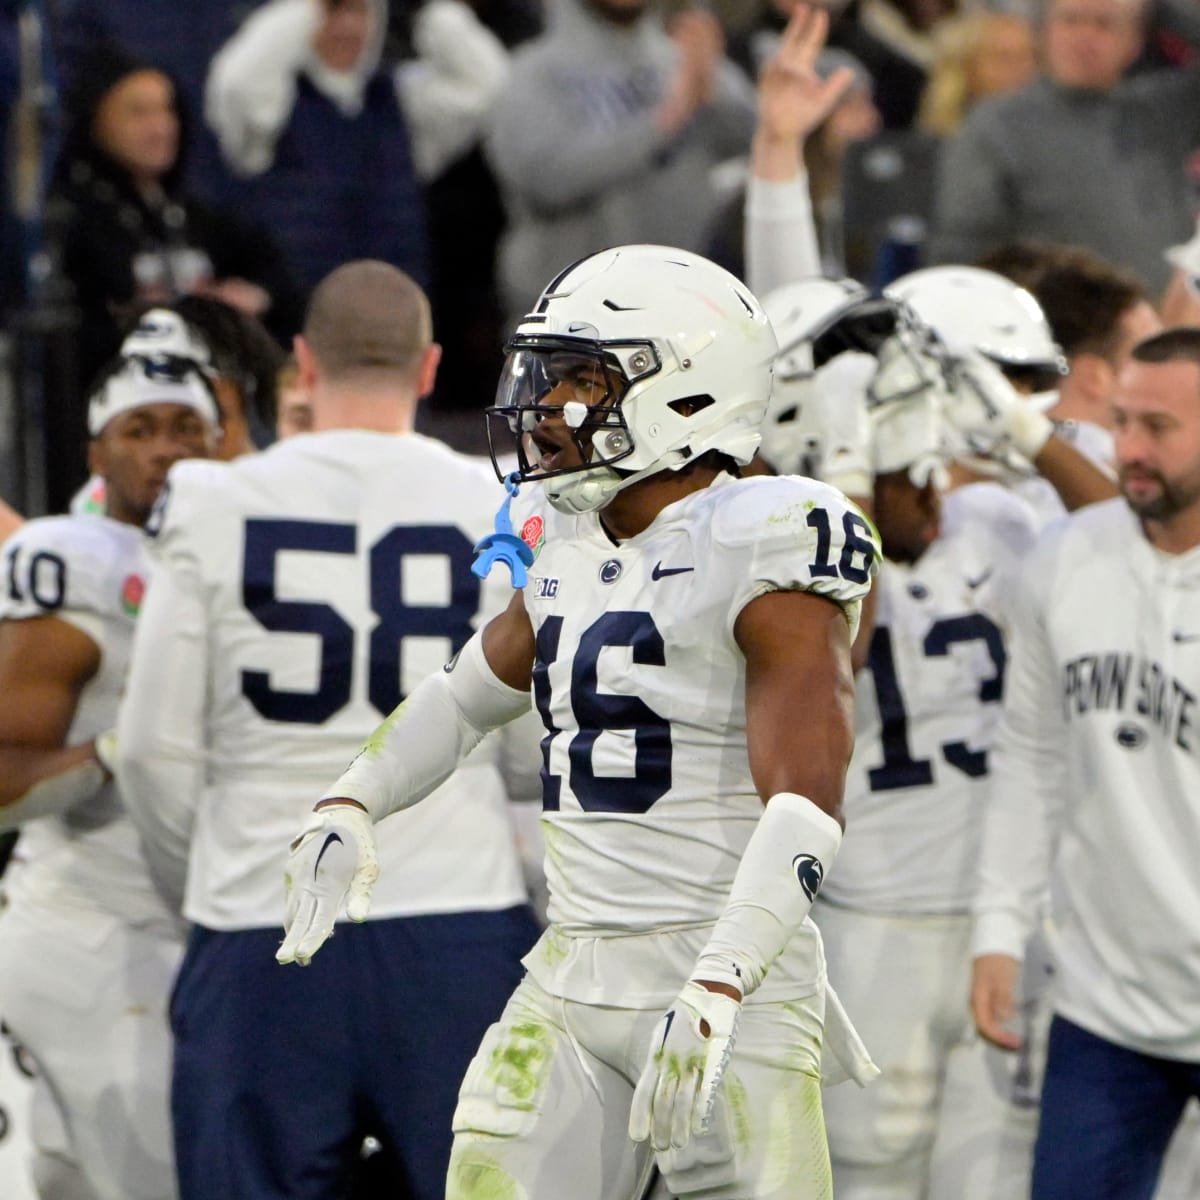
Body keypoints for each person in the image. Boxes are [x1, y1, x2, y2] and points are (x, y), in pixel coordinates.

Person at [274, 243, 882, 1200]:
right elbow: (467, 694)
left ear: (685, 394)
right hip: (573, 966)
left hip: (726, 974)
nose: (546, 408)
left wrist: (723, 979)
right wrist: (353, 798)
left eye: (581, 381)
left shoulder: (769, 531)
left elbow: (806, 800)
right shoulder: (568, 536)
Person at [115, 260, 539, 1200]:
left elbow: (149, 751)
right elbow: (523, 753)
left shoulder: (214, 500)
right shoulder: (497, 502)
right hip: (457, 918)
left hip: (261, 923)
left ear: (303, 364)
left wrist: (213, 881)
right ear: (429, 369)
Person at [970, 327, 1200, 1198]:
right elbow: (1030, 757)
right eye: (1124, 422)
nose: (1130, 450)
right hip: (1106, 1010)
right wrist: (998, 932)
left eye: (1161, 429)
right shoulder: (1062, 560)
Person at [0, 354, 218, 1200]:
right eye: (141, 429)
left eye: (185, 428)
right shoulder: (70, 558)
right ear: (96, 454)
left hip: (204, 930)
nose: (166, 450)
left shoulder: (244, 542)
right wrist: (115, 753)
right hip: (92, 937)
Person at [485, 0, 757, 328]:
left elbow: (755, 143)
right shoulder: (534, 70)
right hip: (572, 321)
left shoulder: (682, 57)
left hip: (689, 310)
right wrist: (666, 120)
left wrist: (710, 79)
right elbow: (544, 179)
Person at [930, 0, 1200, 295]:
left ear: (1135, 40)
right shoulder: (998, 125)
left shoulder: (1161, 111)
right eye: (1071, 20)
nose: (1085, 36)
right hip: (1064, 325)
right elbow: (962, 250)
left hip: (1166, 324)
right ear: (1043, 33)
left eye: (1104, 24)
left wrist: (1156, 7)